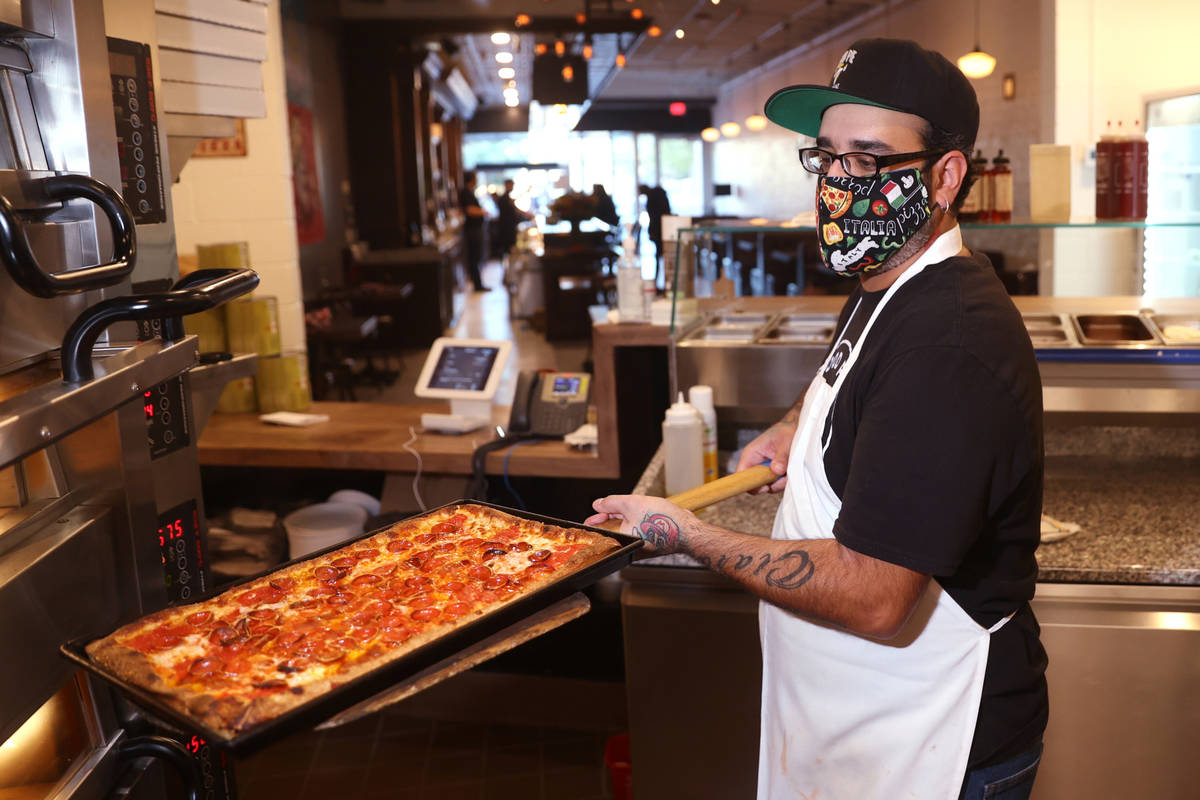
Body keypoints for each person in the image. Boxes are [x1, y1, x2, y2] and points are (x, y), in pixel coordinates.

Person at [588, 39, 1048, 800]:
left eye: (869, 160)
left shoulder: (951, 346)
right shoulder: (888, 276)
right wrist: (797, 425)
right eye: (828, 156)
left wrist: (686, 532)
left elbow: (874, 596)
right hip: (859, 716)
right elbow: (852, 364)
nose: (839, 181)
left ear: (945, 176)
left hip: (933, 737)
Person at [458, 172, 488, 292]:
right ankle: (477, 285)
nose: (477, 180)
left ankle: (478, 283)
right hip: (473, 230)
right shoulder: (466, 192)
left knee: (476, 257)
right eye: (475, 178)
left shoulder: (469, 192)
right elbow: (469, 210)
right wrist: (484, 212)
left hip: (475, 229)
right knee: (475, 257)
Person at [637, 183, 671, 282]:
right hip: (663, 227)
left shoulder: (652, 198)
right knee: (662, 255)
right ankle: (662, 280)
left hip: (659, 230)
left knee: (661, 255)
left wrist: (652, 231)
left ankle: (659, 280)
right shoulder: (657, 195)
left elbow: (654, 217)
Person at [495, 179, 533, 259]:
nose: (512, 187)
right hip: (507, 228)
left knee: (509, 248)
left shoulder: (506, 197)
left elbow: (515, 207)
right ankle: (508, 267)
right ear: (507, 185)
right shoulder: (504, 198)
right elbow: (514, 207)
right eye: (511, 185)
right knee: (509, 249)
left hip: (508, 228)